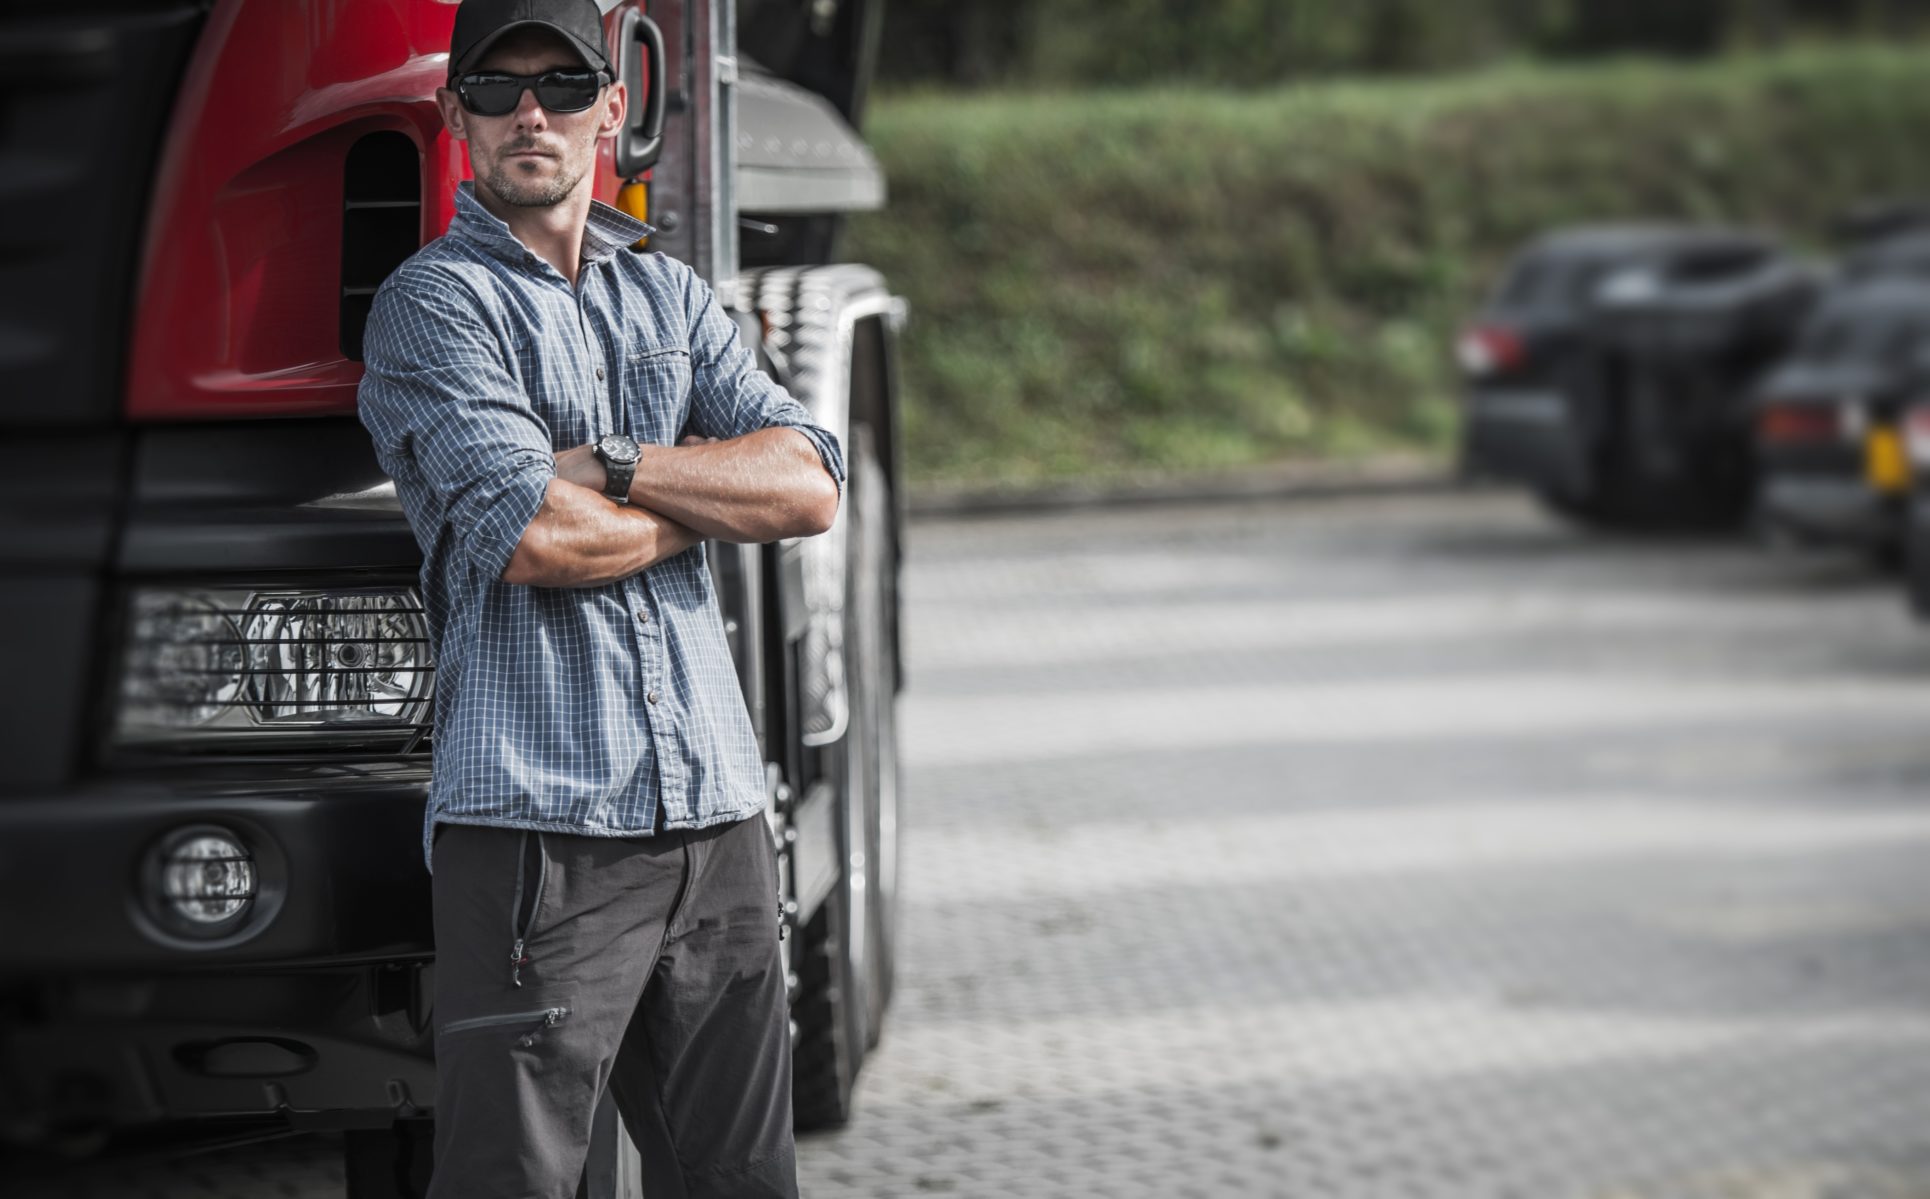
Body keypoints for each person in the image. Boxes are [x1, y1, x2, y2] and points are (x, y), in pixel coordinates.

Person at [355, 1, 843, 1195]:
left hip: (717, 825)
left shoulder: (666, 296)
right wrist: (701, 497)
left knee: (738, 1182)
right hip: (542, 837)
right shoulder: (435, 305)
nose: (533, 110)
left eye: (564, 85)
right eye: (499, 85)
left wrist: (619, 465)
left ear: (612, 112)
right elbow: (534, 534)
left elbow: (809, 480)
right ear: (454, 112)